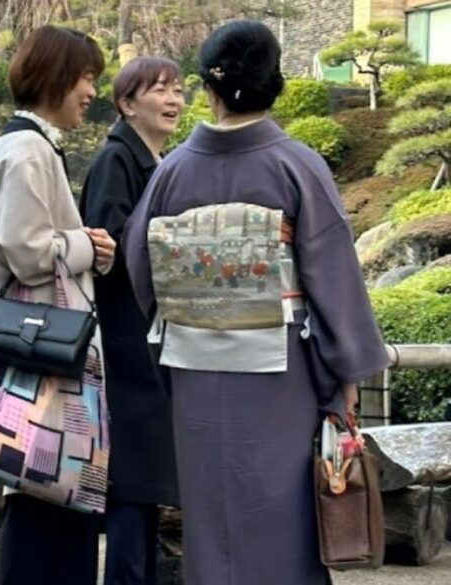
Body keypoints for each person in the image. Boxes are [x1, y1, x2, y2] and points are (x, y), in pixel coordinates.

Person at [122, 20, 389, 585]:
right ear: (276, 84)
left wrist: (192, 321)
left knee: (212, 513)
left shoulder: (171, 171)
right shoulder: (296, 166)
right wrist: (346, 369)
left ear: (209, 90)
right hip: (279, 370)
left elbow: (142, 271)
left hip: (193, 366)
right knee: (281, 517)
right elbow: (333, 275)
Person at [0, 25, 114, 585]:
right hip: (43, 367)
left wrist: (85, 248)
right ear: (57, 77)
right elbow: (30, 254)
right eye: (86, 78)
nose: (90, 92)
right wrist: (90, 244)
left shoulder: (24, 145)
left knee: (44, 496)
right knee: (49, 499)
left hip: (30, 357)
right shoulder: (29, 150)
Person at [79, 56, 185, 585]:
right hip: (125, 340)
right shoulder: (116, 159)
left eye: (180, 90)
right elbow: (106, 245)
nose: (174, 100)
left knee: (142, 482)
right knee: (132, 479)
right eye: (160, 90)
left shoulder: (155, 160)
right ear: (126, 104)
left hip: (147, 336)